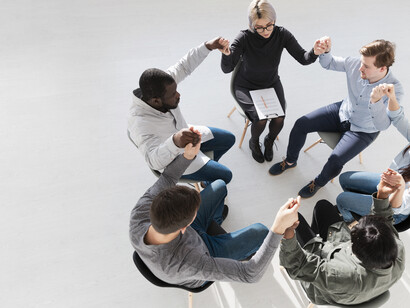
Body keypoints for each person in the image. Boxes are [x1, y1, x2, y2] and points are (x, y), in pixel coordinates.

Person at [130, 134, 300, 287]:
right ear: (184, 226)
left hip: (190, 237)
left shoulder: (140, 213)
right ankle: (235, 247)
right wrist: (278, 228)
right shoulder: (189, 263)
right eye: (195, 211)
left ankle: (216, 222)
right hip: (204, 253)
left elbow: (168, 177)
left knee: (219, 185)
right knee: (262, 231)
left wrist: (188, 156)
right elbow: (250, 274)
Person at [269, 38, 404, 198]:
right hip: (342, 112)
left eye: (366, 67)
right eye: (362, 63)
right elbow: (329, 63)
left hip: (363, 131)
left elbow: (382, 126)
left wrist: (376, 102)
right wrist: (326, 51)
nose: (360, 68)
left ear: (382, 68)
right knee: (301, 124)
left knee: (335, 160)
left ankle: (318, 183)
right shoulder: (356, 65)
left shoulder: (395, 91)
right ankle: (290, 161)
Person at [220, 0, 327, 163]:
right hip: (245, 85)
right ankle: (254, 142)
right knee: (260, 119)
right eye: (259, 27)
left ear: (274, 21)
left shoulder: (282, 34)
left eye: (269, 25)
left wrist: (315, 52)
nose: (265, 31)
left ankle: (269, 140)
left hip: (270, 82)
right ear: (251, 24)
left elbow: (303, 58)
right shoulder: (244, 37)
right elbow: (227, 69)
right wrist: (226, 53)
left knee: (279, 118)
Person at [279, 179, 405, 306]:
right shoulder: (397, 250)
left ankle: (309, 239)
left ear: (353, 249)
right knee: (322, 206)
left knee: (295, 218)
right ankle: (311, 236)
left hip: (323, 280)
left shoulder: (341, 275)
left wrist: (289, 230)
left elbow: (297, 266)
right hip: (340, 258)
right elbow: (385, 222)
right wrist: (382, 195)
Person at [129, 37, 235, 185]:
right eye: (173, 95)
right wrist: (175, 141)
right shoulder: (140, 124)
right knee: (226, 176)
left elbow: (184, 66)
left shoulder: (162, 85)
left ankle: (209, 172)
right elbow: (154, 161)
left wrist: (208, 46)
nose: (178, 95)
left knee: (228, 139)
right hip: (175, 159)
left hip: (186, 133)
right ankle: (208, 177)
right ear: (156, 101)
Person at [337, 83, 410, 224]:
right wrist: (391, 98)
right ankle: (357, 206)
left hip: (393, 211)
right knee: (344, 178)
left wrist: (400, 186)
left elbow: (397, 207)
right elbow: (398, 118)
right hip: (387, 183)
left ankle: (351, 220)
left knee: (342, 199)